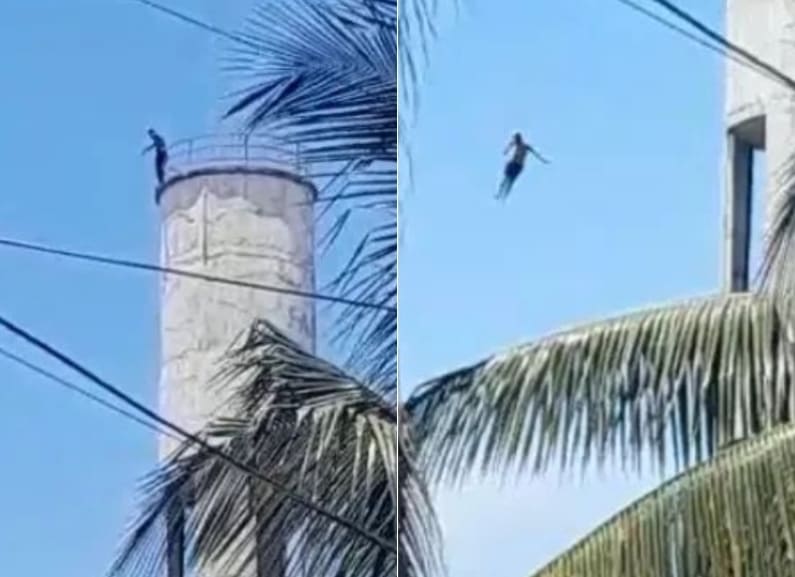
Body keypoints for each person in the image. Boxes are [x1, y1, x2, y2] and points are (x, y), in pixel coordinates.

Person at [496, 132, 548, 200]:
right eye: (516, 140)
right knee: (505, 178)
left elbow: (535, 153)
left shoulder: (526, 146)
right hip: (513, 163)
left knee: (511, 181)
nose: (516, 142)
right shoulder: (515, 143)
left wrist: (543, 159)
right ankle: (499, 193)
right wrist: (506, 150)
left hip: (518, 165)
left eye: (517, 140)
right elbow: (510, 144)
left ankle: (504, 196)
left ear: (520, 139)